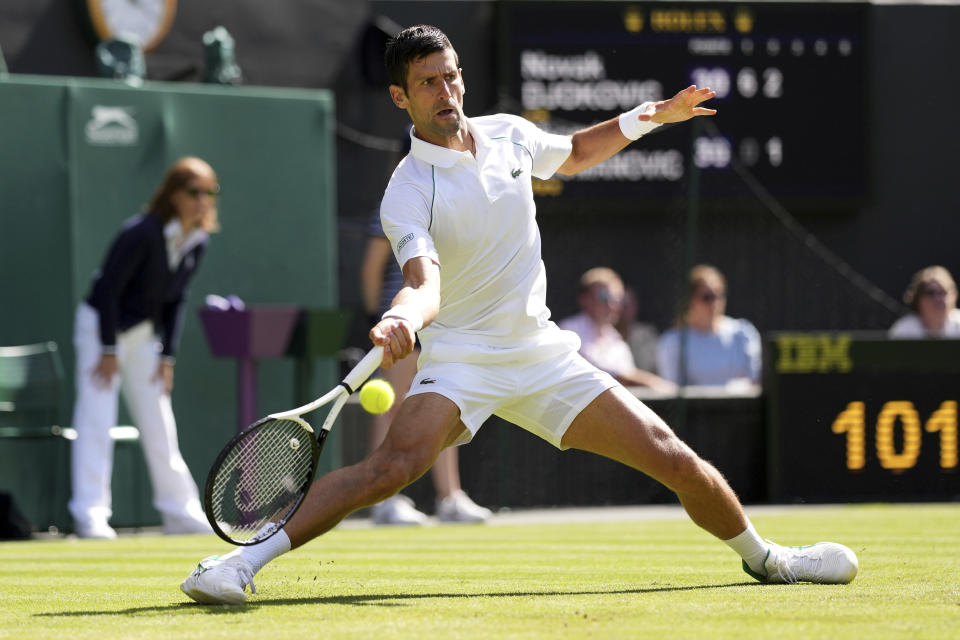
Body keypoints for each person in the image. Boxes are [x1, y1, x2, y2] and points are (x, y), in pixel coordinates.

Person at [181, 25, 857, 604]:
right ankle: (239, 563)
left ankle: (768, 558)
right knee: (388, 470)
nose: (446, 94)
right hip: (462, 360)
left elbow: (579, 152)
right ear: (400, 98)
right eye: (428, 84)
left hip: (541, 354)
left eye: (451, 77)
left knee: (670, 456)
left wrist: (653, 115)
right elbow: (424, 282)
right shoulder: (409, 190)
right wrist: (404, 318)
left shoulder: (509, 137)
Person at [69, 157, 221, 539]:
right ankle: (90, 514)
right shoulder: (141, 233)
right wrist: (107, 349)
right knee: (96, 419)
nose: (202, 200)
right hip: (101, 330)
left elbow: (176, 301)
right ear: (173, 194)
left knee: (159, 423)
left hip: (143, 338)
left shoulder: (196, 241)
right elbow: (107, 291)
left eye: (209, 193)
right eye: (194, 192)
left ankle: (180, 513)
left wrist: (166, 356)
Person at [360, 206, 492, 524]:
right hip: (403, 321)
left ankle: (450, 498)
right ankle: (384, 500)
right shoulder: (396, 200)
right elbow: (372, 268)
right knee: (390, 403)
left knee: (445, 404)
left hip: (445, 320)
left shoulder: (454, 201)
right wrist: (379, 319)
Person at [558, 267, 674, 392]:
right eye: (604, 297)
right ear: (584, 300)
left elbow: (625, 378)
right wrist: (651, 382)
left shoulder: (616, 341)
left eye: (617, 299)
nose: (611, 305)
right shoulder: (568, 331)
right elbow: (603, 375)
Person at [656, 264, 762, 389]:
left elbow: (755, 381)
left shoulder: (743, 333)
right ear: (690, 300)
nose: (715, 303)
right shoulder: (673, 342)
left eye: (720, 295)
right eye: (707, 297)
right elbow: (672, 389)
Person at [889, 265, 960, 338]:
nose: (938, 298)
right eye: (931, 293)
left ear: (954, 295)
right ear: (918, 299)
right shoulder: (903, 330)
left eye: (943, 292)